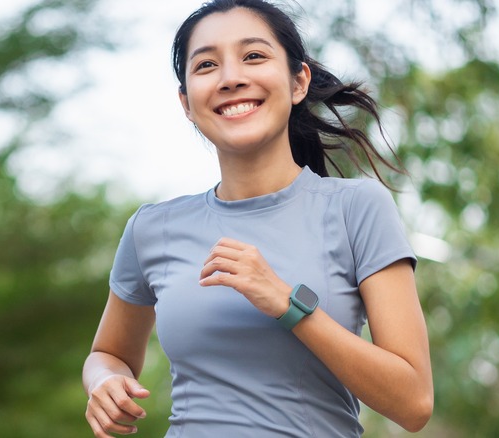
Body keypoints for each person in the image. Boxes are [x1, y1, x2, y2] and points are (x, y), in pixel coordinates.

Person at [82, 0, 433, 436]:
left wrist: (288, 304)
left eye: (253, 56)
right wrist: (104, 380)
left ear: (298, 81)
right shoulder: (152, 229)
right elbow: (108, 354)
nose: (231, 78)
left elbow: (413, 404)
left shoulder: (356, 208)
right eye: (206, 65)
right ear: (186, 102)